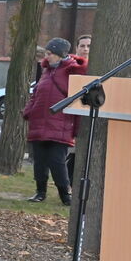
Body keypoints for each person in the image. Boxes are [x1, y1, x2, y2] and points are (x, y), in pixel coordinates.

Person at [23, 37, 85, 205]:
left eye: (50, 53)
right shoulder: (46, 71)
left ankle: (65, 195)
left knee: (57, 162)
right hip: (39, 123)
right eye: (46, 53)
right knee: (40, 162)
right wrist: (29, 111)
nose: (46, 57)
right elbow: (36, 93)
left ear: (59, 55)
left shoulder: (72, 71)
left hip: (60, 124)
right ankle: (40, 192)